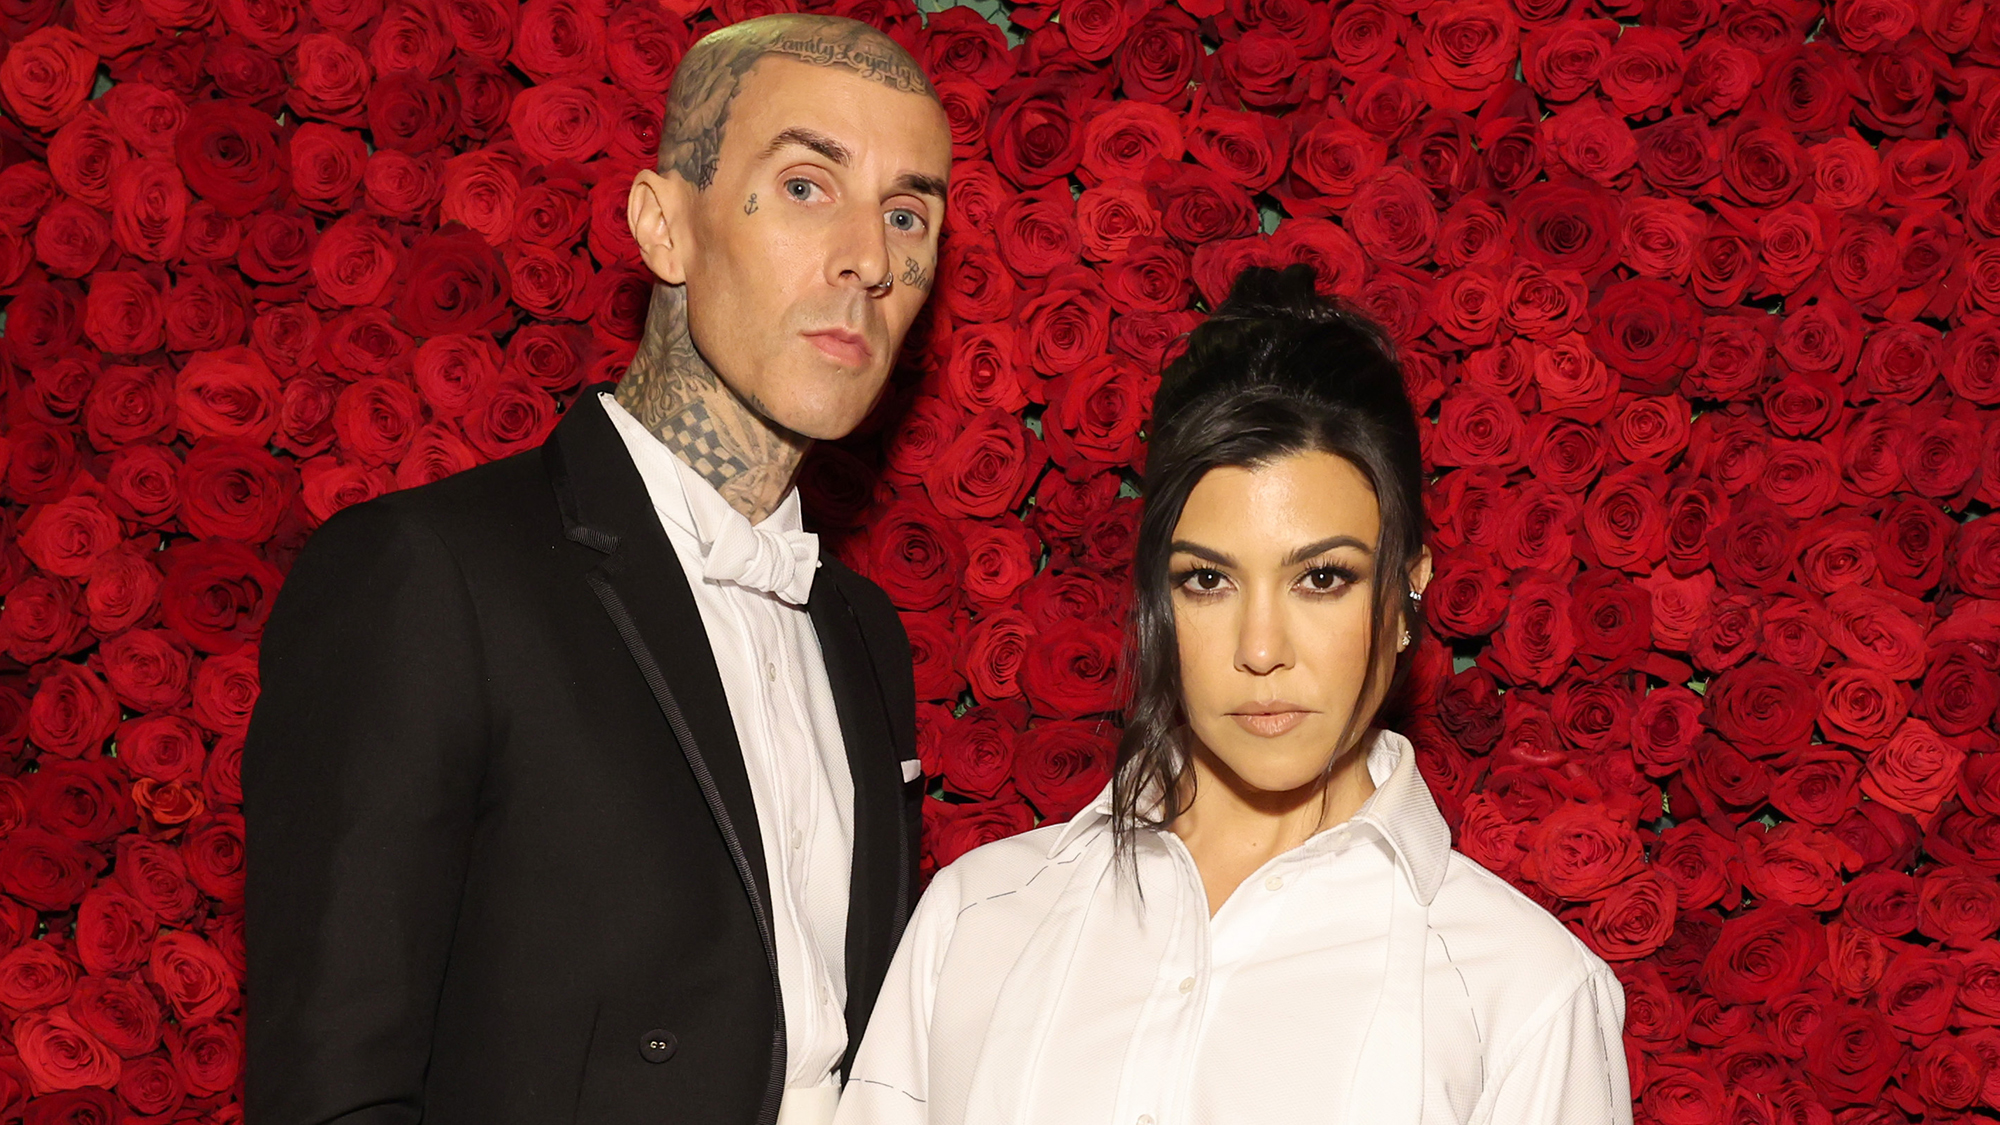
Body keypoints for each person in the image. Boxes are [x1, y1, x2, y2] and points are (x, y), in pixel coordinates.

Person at [244, 15, 950, 1125]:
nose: (870, 254)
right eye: (809, 185)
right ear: (663, 227)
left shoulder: (862, 633)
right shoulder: (434, 577)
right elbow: (334, 1090)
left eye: (906, 212)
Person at [835, 265, 1632, 1125]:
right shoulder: (978, 920)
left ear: (1407, 595)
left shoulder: (1524, 995)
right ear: (1157, 597)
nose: (1261, 650)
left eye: (1322, 577)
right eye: (1209, 579)